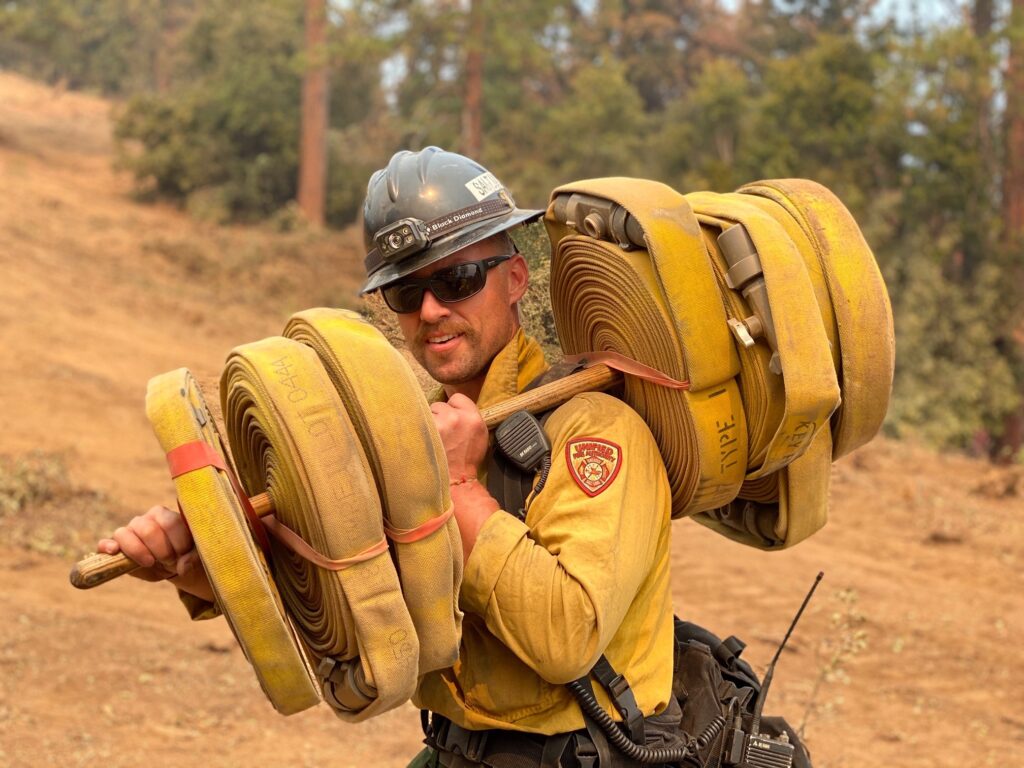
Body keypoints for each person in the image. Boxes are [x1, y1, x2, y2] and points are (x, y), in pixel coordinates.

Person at [97, 147, 679, 767]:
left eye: (457, 281)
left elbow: (568, 639)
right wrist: (200, 564)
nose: (431, 311)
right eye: (406, 291)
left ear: (514, 278)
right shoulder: (397, 441)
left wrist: (454, 484)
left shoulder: (598, 432)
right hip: (455, 752)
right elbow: (341, 590)